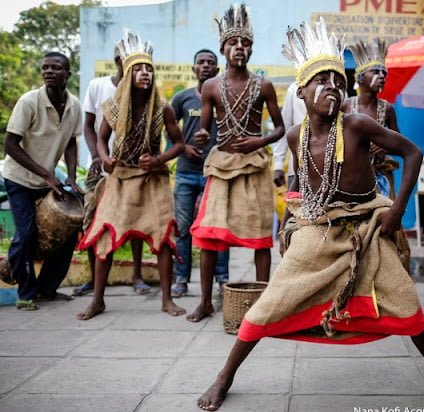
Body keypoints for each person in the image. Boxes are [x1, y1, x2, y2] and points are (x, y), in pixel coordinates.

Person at [196, 17, 424, 412]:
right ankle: (224, 377)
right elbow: (302, 186)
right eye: (320, 81)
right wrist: (291, 223)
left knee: (406, 303)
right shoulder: (294, 135)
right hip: (318, 225)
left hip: (368, 225)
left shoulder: (356, 124)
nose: (330, 88)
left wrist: (397, 210)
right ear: (301, 92)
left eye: (337, 81)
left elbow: (413, 153)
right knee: (270, 303)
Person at [77, 30, 186, 320]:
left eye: (148, 68)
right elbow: (100, 138)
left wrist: (159, 158)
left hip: (153, 179)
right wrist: (104, 157)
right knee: (105, 235)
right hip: (121, 177)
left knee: (162, 238)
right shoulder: (114, 107)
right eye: (138, 68)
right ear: (127, 74)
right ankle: (98, 300)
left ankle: (166, 299)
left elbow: (179, 144)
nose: (144, 73)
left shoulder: (164, 109)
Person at [188, 4, 285, 322]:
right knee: (208, 236)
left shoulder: (264, 86)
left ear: (251, 49)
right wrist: (201, 136)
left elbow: (281, 128)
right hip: (221, 165)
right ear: (223, 49)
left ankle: (264, 305)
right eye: (233, 44)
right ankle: (204, 301)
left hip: (255, 166)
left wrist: (260, 140)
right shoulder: (211, 86)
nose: (239, 49)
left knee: (259, 237)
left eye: (244, 44)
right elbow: (205, 127)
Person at [2, 51, 82, 311]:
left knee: (69, 231)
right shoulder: (29, 102)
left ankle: (47, 289)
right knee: (26, 235)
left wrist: (70, 176)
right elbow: (10, 145)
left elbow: (71, 142)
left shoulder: (74, 106)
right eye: (45, 67)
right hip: (19, 179)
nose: (48, 71)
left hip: (46, 180)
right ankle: (26, 293)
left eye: (55, 68)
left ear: (67, 75)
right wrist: (47, 174)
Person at [75, 45, 152, 297]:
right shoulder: (99, 86)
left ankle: (138, 276)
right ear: (118, 60)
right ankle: (93, 279)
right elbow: (89, 127)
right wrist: (98, 156)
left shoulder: (144, 92)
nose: (127, 62)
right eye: (123, 58)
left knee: (135, 219)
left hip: (129, 169)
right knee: (93, 221)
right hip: (100, 167)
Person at [168, 49, 230, 298]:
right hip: (186, 173)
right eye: (201, 62)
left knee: (217, 228)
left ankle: (222, 280)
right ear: (193, 68)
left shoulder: (223, 97)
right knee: (182, 228)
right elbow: (170, 131)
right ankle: (181, 279)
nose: (205, 66)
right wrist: (183, 147)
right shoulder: (181, 98)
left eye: (210, 63)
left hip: (214, 172)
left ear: (217, 69)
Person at [342, 38, 399, 198]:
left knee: (384, 220)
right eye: (375, 72)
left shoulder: (387, 109)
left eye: (384, 73)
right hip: (352, 177)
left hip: (381, 178)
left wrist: (384, 146)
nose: (382, 76)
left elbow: (399, 144)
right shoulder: (345, 106)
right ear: (360, 77)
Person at [272, 81, 306, 188]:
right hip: (297, 170)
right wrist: (278, 165)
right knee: (295, 204)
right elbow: (285, 126)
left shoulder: (335, 88)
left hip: (333, 172)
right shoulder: (295, 87)